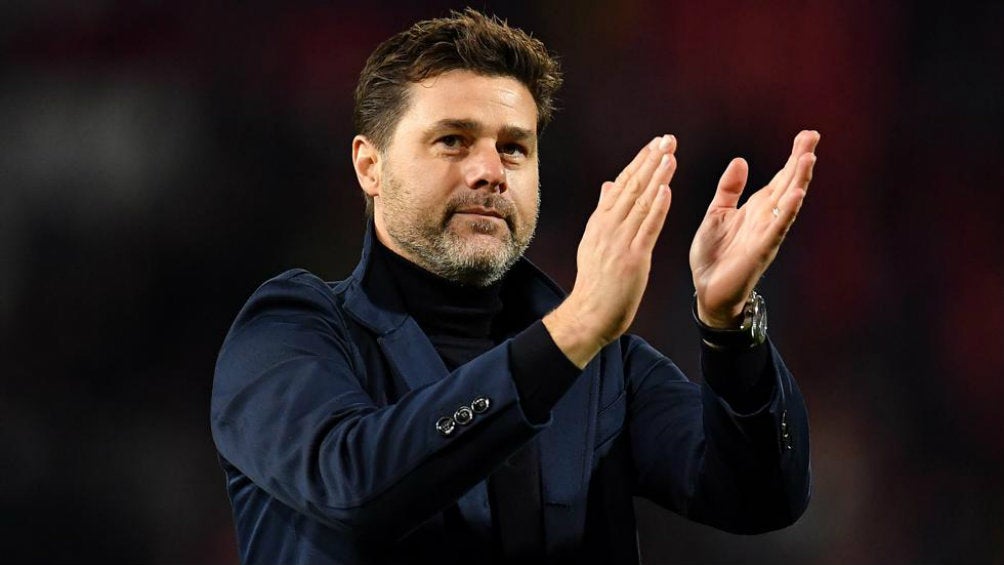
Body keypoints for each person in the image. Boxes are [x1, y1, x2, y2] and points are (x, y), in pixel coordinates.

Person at [211, 8, 818, 565]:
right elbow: (355, 484)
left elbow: (762, 499)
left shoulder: (605, 369)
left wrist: (729, 326)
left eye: (514, 148)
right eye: (453, 140)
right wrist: (574, 329)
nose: (491, 172)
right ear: (371, 166)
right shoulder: (289, 331)